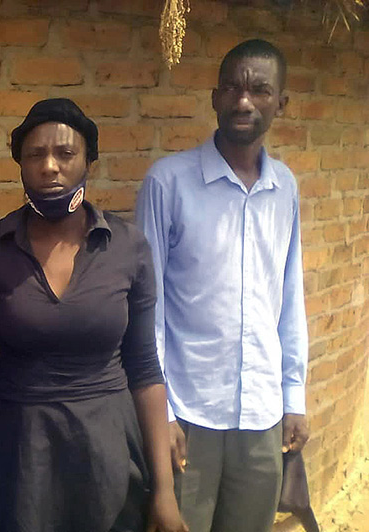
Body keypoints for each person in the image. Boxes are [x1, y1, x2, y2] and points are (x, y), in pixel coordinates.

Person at [0, 98, 187, 532]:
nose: (50, 166)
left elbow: (145, 369)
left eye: (65, 153)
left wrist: (164, 491)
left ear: (88, 162)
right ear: (20, 165)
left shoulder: (127, 247)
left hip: (107, 453)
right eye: (36, 155)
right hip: (18, 455)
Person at [136, 39, 310, 532]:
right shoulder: (168, 183)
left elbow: (289, 297)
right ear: (214, 97)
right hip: (188, 414)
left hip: (262, 417)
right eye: (232, 88)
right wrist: (162, 412)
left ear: (281, 102)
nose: (244, 101)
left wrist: (292, 398)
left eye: (260, 90)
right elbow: (148, 308)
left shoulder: (286, 188)